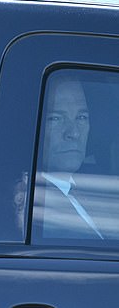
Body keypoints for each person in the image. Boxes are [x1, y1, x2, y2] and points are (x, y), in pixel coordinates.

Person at [35, 73, 104, 239]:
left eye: (81, 117)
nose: (73, 132)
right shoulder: (32, 204)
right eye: (56, 118)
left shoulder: (93, 193)